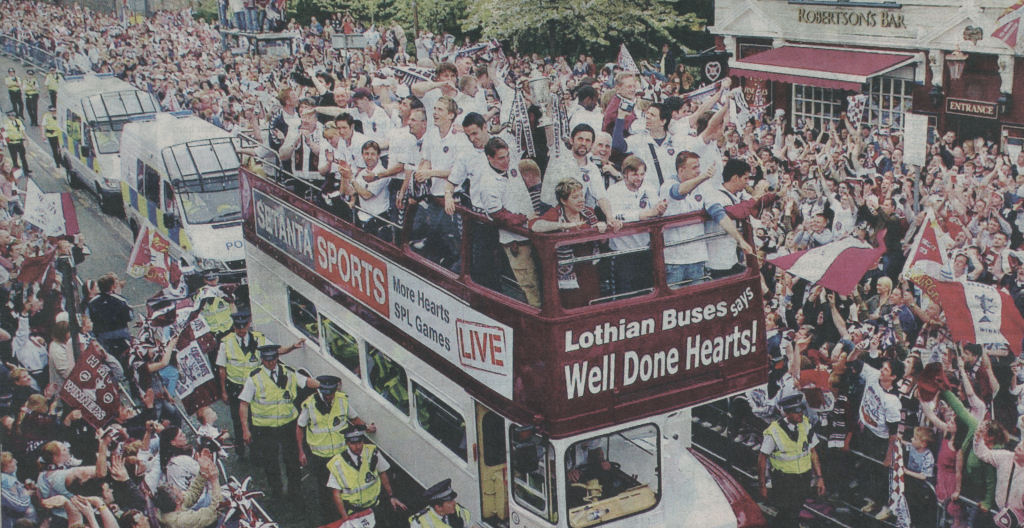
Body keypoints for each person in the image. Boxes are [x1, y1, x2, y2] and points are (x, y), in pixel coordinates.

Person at [238, 344, 318, 500]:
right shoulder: (254, 378)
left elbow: (306, 381)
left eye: (274, 359)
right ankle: (277, 493)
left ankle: (296, 492)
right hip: (265, 429)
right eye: (267, 360)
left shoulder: (287, 372)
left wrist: (324, 385)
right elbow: (244, 404)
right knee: (271, 462)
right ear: (262, 360)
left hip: (288, 425)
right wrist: (245, 429)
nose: (271, 363)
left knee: (292, 460)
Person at [297, 375, 374, 519]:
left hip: (340, 455)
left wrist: (366, 427)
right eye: (325, 393)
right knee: (325, 489)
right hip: (321, 457)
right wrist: (301, 451)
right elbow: (300, 427)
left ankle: (345, 514)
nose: (328, 396)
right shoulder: (310, 404)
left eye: (331, 393)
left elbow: (354, 419)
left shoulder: (342, 400)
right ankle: (329, 517)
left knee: (344, 486)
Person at [529, 179, 611, 308]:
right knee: (572, 304)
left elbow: (602, 241)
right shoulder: (556, 213)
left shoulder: (589, 212)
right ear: (563, 200)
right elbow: (535, 225)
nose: (581, 200)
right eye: (575, 197)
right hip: (568, 272)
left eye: (582, 195)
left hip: (589, 268)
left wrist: (601, 229)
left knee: (592, 302)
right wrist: (565, 225)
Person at [758, 393, 825, 528]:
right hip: (785, 481)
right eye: (796, 412)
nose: (800, 414)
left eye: (801, 411)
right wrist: (763, 485)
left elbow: (813, 451)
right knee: (789, 513)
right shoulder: (774, 432)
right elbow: (762, 459)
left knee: (793, 512)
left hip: (803, 479)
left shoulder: (805, 424)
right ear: (787, 414)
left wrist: (820, 477)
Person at [607, 155, 666, 294]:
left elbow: (656, 209)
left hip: (645, 250)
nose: (639, 178)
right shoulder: (614, 191)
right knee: (625, 295)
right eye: (635, 174)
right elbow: (615, 216)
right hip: (622, 252)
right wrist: (643, 214)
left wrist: (661, 208)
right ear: (625, 173)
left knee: (647, 291)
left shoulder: (648, 187)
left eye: (642, 174)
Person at [216, 311, 268, 459]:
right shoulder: (226, 342)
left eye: (243, 326)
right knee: (238, 421)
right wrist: (223, 390)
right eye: (238, 327)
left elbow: (274, 351)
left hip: (254, 388)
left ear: (248, 325)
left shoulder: (258, 339)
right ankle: (240, 450)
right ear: (234, 327)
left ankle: (255, 452)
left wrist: (291, 347)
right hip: (236, 387)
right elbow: (222, 368)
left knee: (255, 420)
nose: (241, 330)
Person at [326, 428, 406, 524]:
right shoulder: (337, 463)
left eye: (360, 442)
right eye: (353, 443)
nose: (357, 447)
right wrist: (345, 518)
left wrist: (391, 496)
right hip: (354, 511)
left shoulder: (372, 452)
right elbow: (336, 493)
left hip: (375, 506)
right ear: (347, 443)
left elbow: (382, 473)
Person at [154, 448, 223, 528]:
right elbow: (214, 512)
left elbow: (192, 495)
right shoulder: (182, 521)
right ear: (177, 501)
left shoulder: (172, 507)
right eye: (178, 491)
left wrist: (203, 471)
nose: (180, 491)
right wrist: (214, 480)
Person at [86, 273, 134, 364]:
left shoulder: (92, 303)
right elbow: (130, 317)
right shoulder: (121, 300)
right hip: (121, 332)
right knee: (129, 351)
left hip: (103, 335)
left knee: (106, 357)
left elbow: (91, 318)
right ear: (112, 287)